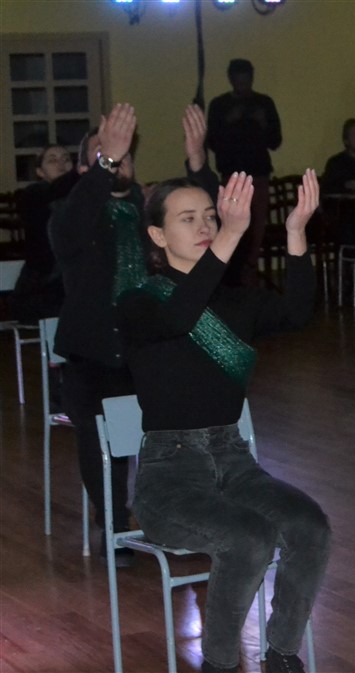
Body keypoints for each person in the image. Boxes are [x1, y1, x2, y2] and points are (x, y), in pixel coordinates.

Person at [117, 169, 329, 673]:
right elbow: (180, 318)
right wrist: (231, 235)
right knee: (247, 537)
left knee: (310, 526)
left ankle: (281, 654)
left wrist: (296, 230)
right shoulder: (139, 302)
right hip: (169, 477)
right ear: (157, 235)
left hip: (233, 461)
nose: (205, 226)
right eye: (187, 218)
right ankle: (219, 665)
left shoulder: (236, 300)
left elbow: (298, 312)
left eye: (211, 217)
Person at [50, 103, 217, 567]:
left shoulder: (151, 214)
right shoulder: (72, 214)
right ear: (86, 169)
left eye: (123, 154)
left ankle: (184, 517)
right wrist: (103, 166)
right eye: (104, 154)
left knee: (187, 429)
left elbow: (207, 221)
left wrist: (197, 161)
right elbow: (72, 228)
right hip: (94, 355)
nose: (117, 159)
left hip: (153, 351)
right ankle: (114, 524)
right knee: (100, 437)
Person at [207, 58, 282, 286]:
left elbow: (276, 141)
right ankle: (231, 272)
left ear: (252, 78)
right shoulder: (220, 105)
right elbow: (211, 142)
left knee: (258, 225)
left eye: (246, 81)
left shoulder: (264, 103)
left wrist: (263, 122)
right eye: (239, 81)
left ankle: (250, 269)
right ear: (231, 79)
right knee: (231, 223)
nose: (243, 86)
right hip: (231, 175)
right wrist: (228, 121)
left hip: (258, 173)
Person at [11, 144, 77, 323]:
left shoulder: (81, 198)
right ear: (40, 172)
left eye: (66, 159)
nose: (61, 164)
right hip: (39, 289)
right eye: (52, 160)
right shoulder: (34, 194)